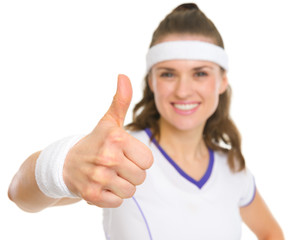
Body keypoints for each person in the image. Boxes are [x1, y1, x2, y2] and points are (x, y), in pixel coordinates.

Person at [8, 3, 284, 240]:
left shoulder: (233, 169)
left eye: (200, 73)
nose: (183, 90)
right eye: (168, 74)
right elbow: (19, 193)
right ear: (152, 81)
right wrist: (62, 167)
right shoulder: (119, 154)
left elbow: (272, 233)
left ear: (222, 81)